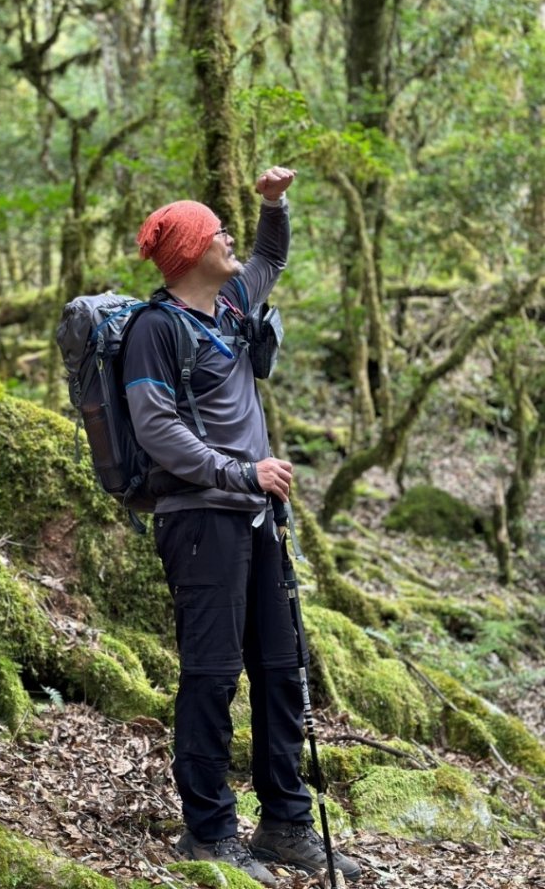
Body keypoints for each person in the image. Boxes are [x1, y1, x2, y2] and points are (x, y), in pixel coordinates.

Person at [122, 167, 361, 886]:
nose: (230, 238)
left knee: (281, 672)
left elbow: (273, 259)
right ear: (189, 251)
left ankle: (285, 824)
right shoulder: (155, 331)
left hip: (258, 519)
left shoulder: (229, 305)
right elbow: (156, 429)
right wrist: (239, 473)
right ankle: (209, 833)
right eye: (217, 230)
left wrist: (272, 204)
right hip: (200, 520)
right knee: (212, 675)